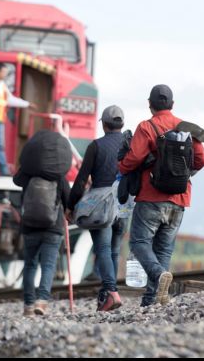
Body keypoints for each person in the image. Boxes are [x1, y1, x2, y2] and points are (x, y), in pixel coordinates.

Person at [119, 85, 204, 307]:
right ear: (172, 105)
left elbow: (134, 158)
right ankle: (152, 300)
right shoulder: (185, 128)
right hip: (179, 198)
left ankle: (158, 276)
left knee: (139, 242)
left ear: (150, 104)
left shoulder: (146, 126)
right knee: (163, 249)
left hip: (151, 195)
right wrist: (184, 171)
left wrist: (121, 166)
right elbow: (202, 159)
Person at [68, 105, 126, 311]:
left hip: (102, 203)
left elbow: (81, 179)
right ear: (122, 124)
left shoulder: (96, 146)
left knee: (102, 248)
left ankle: (111, 292)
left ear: (104, 124)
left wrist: (70, 206)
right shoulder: (131, 143)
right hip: (126, 202)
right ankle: (106, 296)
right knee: (114, 249)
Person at [13, 130, 71, 317]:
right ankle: (42, 301)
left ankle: (28, 305)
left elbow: (16, 180)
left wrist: (26, 165)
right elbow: (68, 199)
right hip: (53, 227)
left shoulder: (27, 175)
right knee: (48, 265)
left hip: (29, 226)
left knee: (30, 264)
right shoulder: (59, 176)